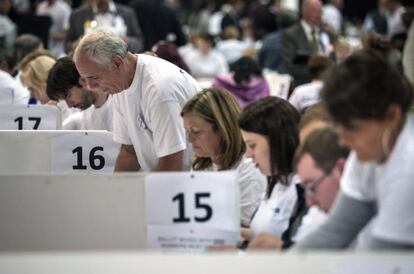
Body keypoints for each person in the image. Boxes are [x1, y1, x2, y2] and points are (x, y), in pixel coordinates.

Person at [293, 50, 414, 250]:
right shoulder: (370, 153)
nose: (342, 140)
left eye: (352, 128)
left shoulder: (408, 167)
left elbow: (384, 258)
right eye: (339, 127)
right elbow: (334, 232)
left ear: (392, 116)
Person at [74, 29, 200, 172]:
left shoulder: (159, 90)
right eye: (85, 80)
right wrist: (114, 191)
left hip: (194, 182)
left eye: (94, 78)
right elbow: (129, 151)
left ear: (117, 62)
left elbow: (172, 166)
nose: (90, 87)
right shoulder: (119, 85)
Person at [248, 126, 349, 249]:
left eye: (312, 187)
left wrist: (279, 249)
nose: (309, 201)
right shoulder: (318, 211)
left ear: (341, 169)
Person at [181, 88, 266, 227]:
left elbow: (243, 230)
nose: (189, 139)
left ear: (222, 129)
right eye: (187, 131)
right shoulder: (201, 165)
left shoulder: (249, 170)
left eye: (196, 131)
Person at [238, 96, 304, 247]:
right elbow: (263, 234)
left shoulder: (302, 188)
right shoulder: (275, 179)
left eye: (253, 145)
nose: (248, 154)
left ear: (278, 141)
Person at [47, 57, 112, 131]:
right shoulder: (86, 116)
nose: (69, 105)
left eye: (69, 96)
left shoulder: (118, 103)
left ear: (82, 80)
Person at [282, 0, 333, 87]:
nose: (319, 15)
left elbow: (333, 59)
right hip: (302, 84)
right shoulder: (291, 34)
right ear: (304, 12)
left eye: (320, 11)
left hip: (327, 84)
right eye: (315, 11)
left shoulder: (326, 34)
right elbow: (289, 66)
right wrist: (317, 76)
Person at [65, 0, 144, 53]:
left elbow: (139, 42)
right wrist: (79, 43)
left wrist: (126, 41)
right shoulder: (78, 15)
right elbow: (67, 45)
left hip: (120, 61)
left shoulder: (127, 13)